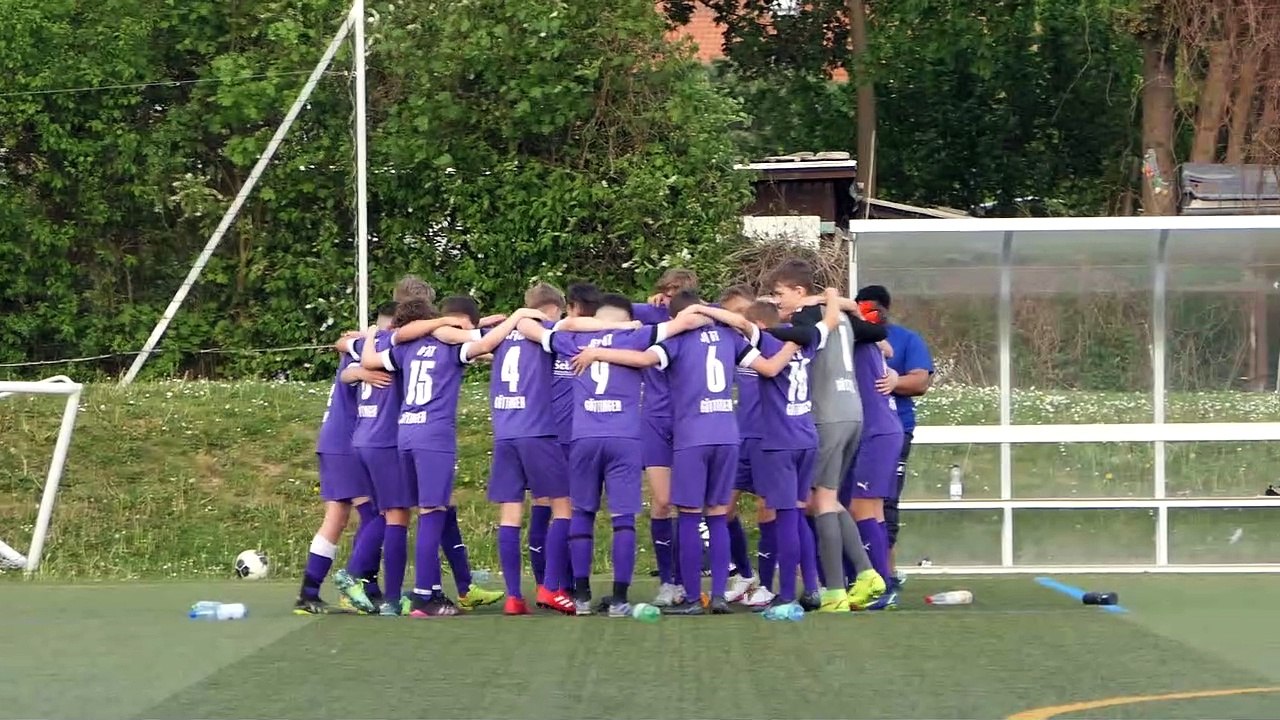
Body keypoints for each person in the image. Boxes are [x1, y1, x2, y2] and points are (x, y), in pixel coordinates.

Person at [571, 291, 757, 615]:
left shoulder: (674, 337)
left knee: (692, 512)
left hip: (690, 431)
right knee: (690, 507)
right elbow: (761, 355)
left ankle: (699, 591)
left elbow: (640, 357)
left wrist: (596, 353)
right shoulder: (719, 332)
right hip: (699, 428)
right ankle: (697, 589)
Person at [518, 294, 705, 616]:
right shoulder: (635, 336)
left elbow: (526, 326)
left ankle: (582, 597)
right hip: (625, 438)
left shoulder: (574, 338)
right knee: (623, 521)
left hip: (584, 437)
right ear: (625, 318)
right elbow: (690, 321)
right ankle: (619, 599)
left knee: (582, 516)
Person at [365, 296, 538, 617]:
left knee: (419, 513)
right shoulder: (448, 346)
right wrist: (516, 317)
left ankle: (426, 590)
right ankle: (423, 598)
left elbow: (370, 361)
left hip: (405, 433)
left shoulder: (404, 348)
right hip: (434, 437)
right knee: (433, 513)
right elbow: (485, 343)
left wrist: (369, 337)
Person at [765, 260, 886, 612]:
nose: (777, 302)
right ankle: (865, 574)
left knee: (821, 503)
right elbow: (878, 332)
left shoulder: (806, 314)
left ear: (800, 292)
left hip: (827, 416)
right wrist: (840, 301)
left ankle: (835, 590)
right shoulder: (844, 317)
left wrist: (760, 332)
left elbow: (801, 334)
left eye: (779, 294)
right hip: (853, 413)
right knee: (830, 499)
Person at [294, 307, 399, 615]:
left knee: (339, 516)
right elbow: (348, 373)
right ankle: (358, 584)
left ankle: (311, 593)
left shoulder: (367, 341)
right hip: (345, 442)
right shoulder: (372, 346)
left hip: (338, 440)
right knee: (375, 514)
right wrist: (363, 373)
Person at [630, 268, 700, 606]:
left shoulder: (702, 314)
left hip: (691, 420)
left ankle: (691, 580)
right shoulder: (649, 315)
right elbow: (608, 312)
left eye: (676, 291)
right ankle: (667, 580)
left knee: (691, 502)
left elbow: (741, 314)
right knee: (661, 501)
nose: (668, 296)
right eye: (665, 289)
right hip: (655, 420)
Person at [856, 285, 934, 587]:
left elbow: (920, 381)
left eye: (873, 309)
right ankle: (860, 573)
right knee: (854, 501)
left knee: (884, 501)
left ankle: (885, 574)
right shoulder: (854, 336)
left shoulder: (906, 339)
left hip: (894, 430)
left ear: (886, 309)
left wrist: (894, 380)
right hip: (857, 430)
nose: (868, 314)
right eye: (862, 308)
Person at [835, 296, 904, 609]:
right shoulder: (872, 341)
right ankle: (881, 585)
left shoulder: (858, 338)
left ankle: (878, 587)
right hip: (883, 429)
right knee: (869, 509)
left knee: (862, 509)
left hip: (876, 431)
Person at [717, 284, 771, 606]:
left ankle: (766, 581)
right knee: (722, 509)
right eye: (731, 314)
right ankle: (745, 574)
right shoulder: (728, 343)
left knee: (770, 510)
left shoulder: (774, 337)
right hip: (738, 436)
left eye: (741, 312)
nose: (736, 319)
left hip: (770, 437)